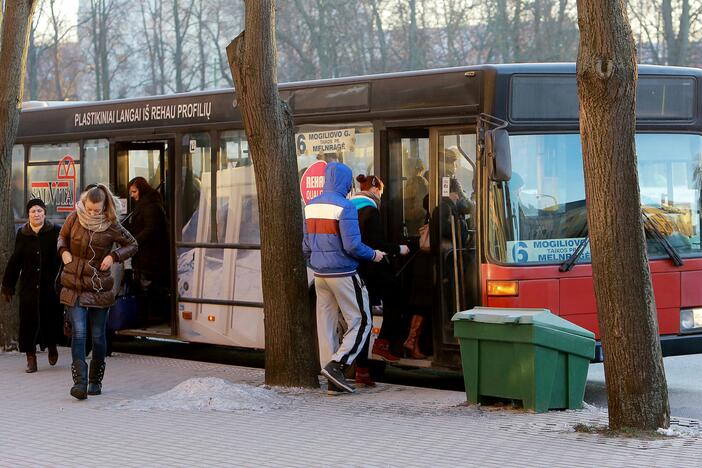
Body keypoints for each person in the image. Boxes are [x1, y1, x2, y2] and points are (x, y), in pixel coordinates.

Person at [302, 162, 385, 395]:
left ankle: (332, 382)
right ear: (345, 182)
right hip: (344, 273)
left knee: (326, 326)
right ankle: (337, 366)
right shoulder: (345, 207)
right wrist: (374, 255)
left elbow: (306, 246)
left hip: (320, 275)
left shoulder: (310, 206)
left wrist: (317, 263)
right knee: (362, 320)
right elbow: (353, 246)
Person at [58, 184, 137, 400]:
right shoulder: (74, 218)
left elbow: (132, 244)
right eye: (89, 208)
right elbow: (62, 238)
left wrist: (113, 256)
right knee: (80, 333)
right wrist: (63, 252)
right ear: (84, 203)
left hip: (99, 287)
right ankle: (80, 383)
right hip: (74, 285)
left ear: (105, 206)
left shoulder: (111, 224)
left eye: (97, 210)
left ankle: (95, 380)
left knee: (99, 337)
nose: (92, 213)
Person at [350, 175, 409, 385]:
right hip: (371, 269)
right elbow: (376, 243)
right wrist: (399, 249)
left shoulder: (348, 207)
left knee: (362, 319)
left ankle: (362, 371)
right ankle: (383, 342)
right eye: (381, 193)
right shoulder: (371, 210)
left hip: (353, 270)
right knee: (397, 296)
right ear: (375, 190)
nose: (381, 197)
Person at [1, 199, 63, 373]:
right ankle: (31, 357)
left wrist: (62, 282)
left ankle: (51, 346)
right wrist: (8, 285)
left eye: (39, 211)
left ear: (44, 213)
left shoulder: (55, 231)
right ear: (28, 214)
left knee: (50, 319)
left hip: (49, 286)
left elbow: (61, 259)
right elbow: (15, 260)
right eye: (33, 211)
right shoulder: (23, 233)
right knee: (27, 322)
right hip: (28, 287)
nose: (36, 214)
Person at [124, 177, 170, 324]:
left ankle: (152, 316)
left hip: (150, 254)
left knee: (149, 285)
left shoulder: (150, 206)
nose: (132, 195)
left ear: (141, 190)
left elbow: (150, 229)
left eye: (134, 191)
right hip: (147, 253)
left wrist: (134, 241)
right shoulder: (147, 203)